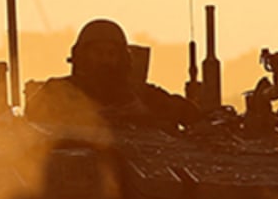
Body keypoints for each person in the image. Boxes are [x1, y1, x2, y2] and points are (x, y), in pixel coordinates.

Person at [26, 18, 200, 131]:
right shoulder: (58, 91)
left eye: (111, 54)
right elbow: (32, 118)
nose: (105, 60)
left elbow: (188, 114)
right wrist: (87, 118)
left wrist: (142, 114)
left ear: (121, 59)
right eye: (98, 53)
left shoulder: (138, 94)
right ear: (83, 56)